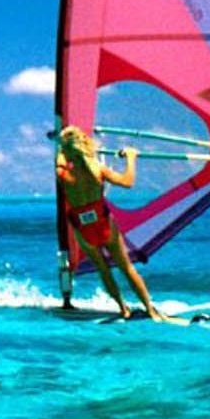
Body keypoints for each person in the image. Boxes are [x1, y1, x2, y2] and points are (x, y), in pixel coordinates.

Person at [55, 125, 163, 320]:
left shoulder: (63, 175)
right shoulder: (98, 170)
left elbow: (60, 160)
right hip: (104, 224)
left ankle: (123, 308)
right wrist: (131, 158)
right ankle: (150, 309)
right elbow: (128, 182)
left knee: (102, 268)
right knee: (126, 267)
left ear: (66, 150)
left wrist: (62, 146)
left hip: (83, 228)